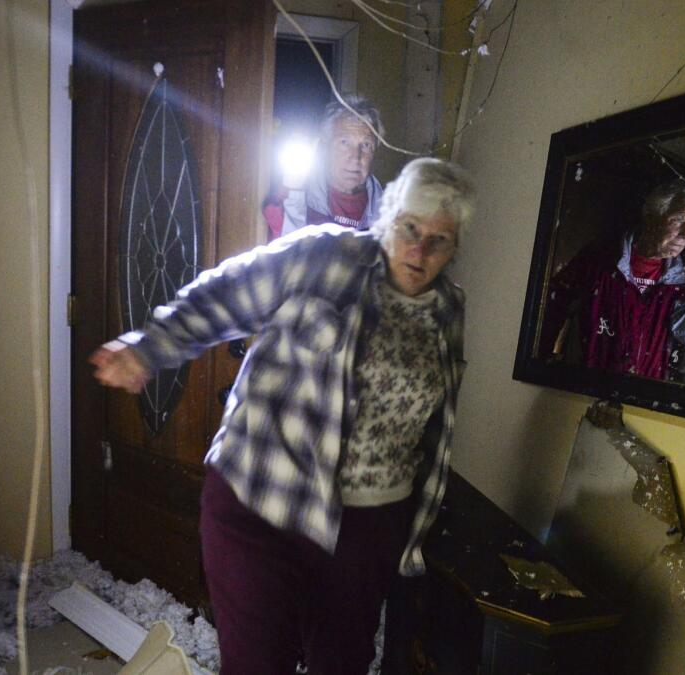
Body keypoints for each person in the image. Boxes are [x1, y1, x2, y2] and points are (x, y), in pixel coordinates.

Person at [91, 157, 475, 674]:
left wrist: (412, 530)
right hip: (262, 502)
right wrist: (149, 348)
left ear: (453, 248)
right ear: (389, 218)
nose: (420, 250)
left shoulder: (449, 309)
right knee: (257, 664)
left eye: (440, 239)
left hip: (366, 527)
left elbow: (436, 425)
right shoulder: (324, 256)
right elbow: (228, 292)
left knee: (343, 664)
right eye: (411, 228)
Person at [542, 178, 685, 380]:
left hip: (640, 400)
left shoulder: (679, 284)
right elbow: (550, 308)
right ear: (652, 217)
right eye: (678, 220)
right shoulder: (599, 260)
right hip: (584, 390)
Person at [264, 94, 385, 239]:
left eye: (366, 145)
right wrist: (295, 193)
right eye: (344, 143)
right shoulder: (291, 193)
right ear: (325, 145)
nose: (356, 157)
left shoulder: (389, 211)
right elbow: (284, 254)